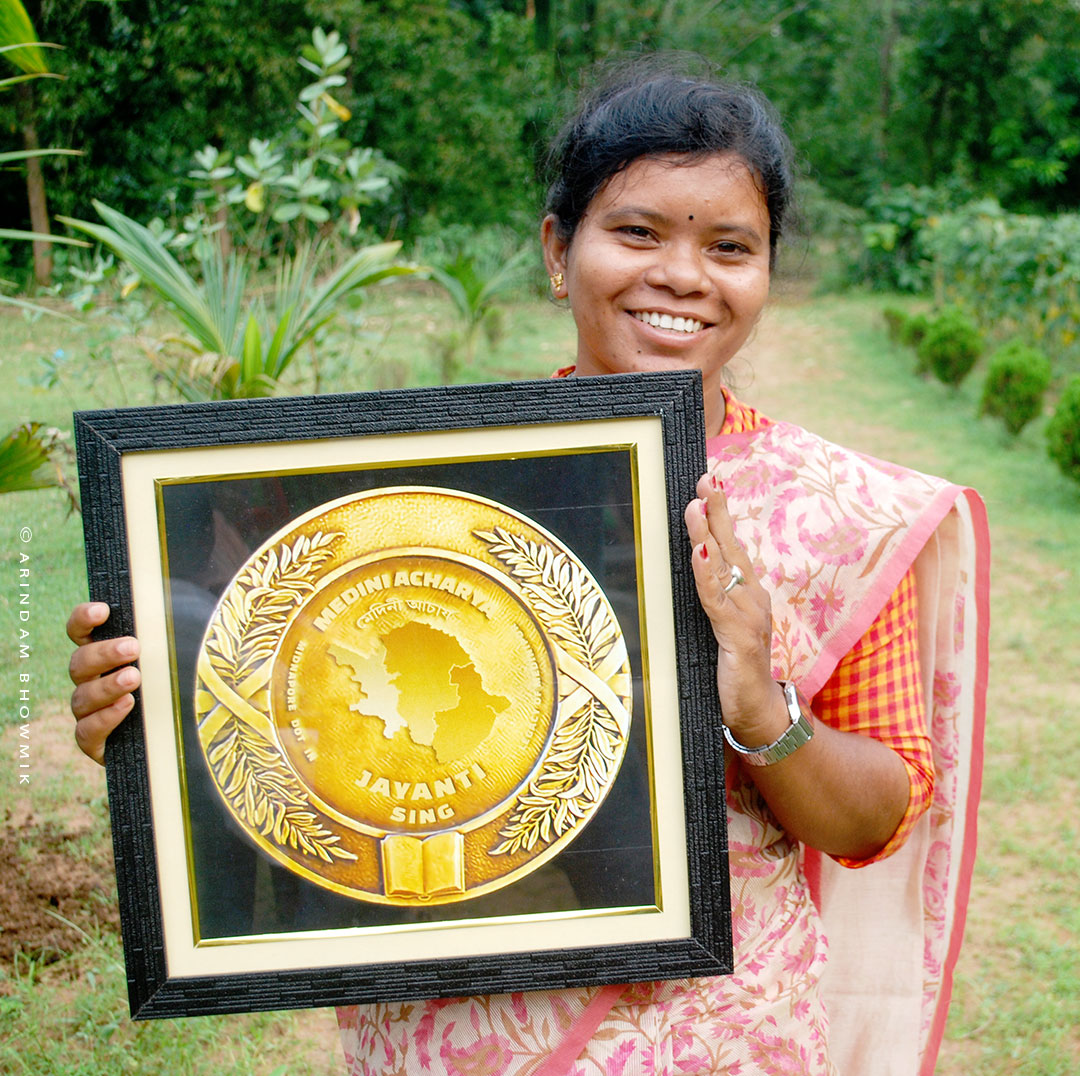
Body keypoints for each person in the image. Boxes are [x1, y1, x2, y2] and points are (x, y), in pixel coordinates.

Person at [67, 58, 989, 1076]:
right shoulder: (412, 485)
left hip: (726, 1036)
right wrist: (153, 717)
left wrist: (765, 710)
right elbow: (304, 725)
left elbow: (875, 820)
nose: (683, 274)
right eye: (637, 231)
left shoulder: (843, 517)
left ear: (768, 272)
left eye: (730, 246)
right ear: (559, 250)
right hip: (456, 1029)